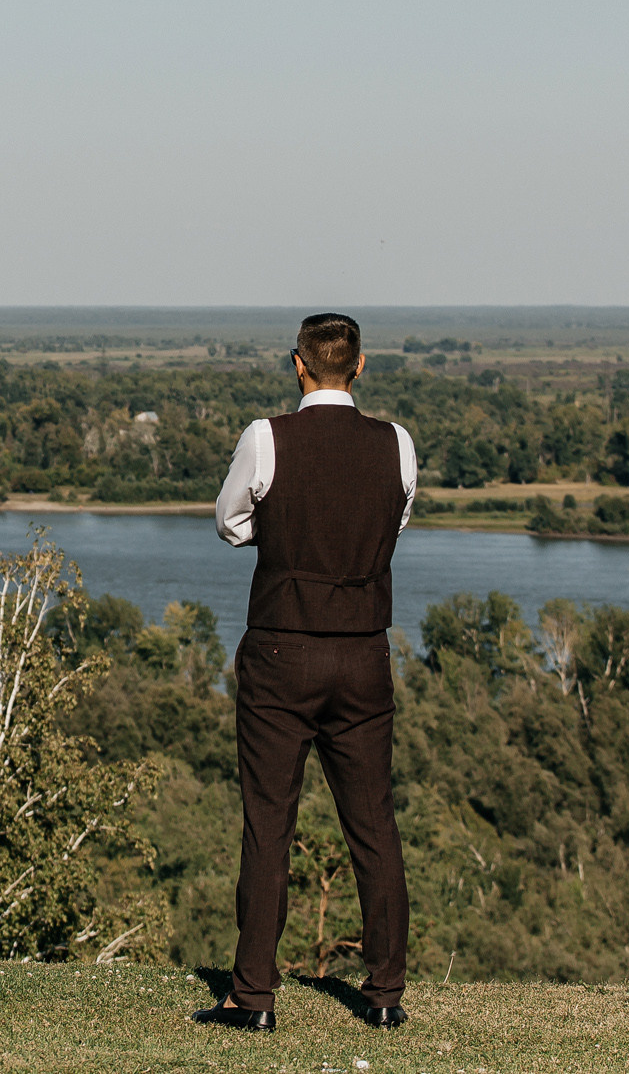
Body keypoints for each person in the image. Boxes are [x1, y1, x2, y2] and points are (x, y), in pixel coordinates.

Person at [191, 313, 416, 1033]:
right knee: (374, 822)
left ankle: (253, 997)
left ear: (298, 364)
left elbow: (230, 524)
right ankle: (385, 993)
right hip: (364, 651)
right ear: (359, 366)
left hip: (281, 651)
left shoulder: (266, 438)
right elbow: (393, 522)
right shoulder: (397, 443)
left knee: (269, 823)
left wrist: (284, 532)